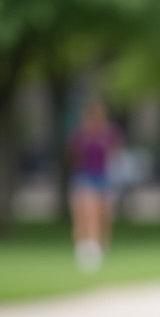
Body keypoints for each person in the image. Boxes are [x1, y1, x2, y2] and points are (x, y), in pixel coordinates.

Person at [67, 100, 122, 272]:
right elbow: (73, 156)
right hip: (85, 177)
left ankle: (100, 246)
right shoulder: (81, 135)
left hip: (104, 177)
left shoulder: (110, 134)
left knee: (104, 216)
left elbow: (116, 155)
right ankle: (86, 249)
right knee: (87, 213)